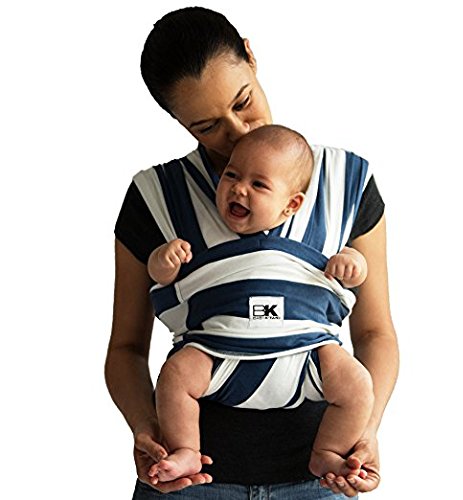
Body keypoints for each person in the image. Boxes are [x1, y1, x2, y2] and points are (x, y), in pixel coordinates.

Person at [105, 6, 399, 499]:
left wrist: (365, 430)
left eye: (243, 102)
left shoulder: (345, 183)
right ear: (177, 120)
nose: (238, 132)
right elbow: (126, 349)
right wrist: (146, 428)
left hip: (318, 478)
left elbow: (375, 332)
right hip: (189, 481)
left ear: (250, 56)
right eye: (206, 126)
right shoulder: (156, 196)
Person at [146, 125, 372, 484]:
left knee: (358, 384)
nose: (239, 189)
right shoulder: (191, 237)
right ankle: (187, 449)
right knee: (175, 376)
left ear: (291, 205)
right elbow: (160, 280)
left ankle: (328, 450)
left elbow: (356, 279)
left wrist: (353, 265)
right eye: (231, 175)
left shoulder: (321, 237)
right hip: (216, 351)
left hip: (307, 353)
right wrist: (163, 260)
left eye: (258, 185)